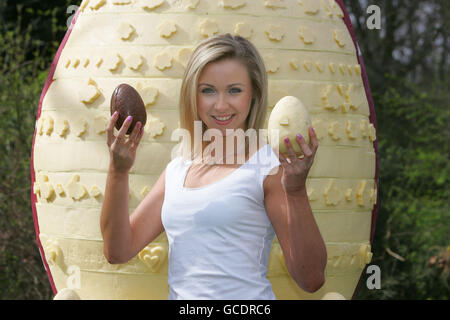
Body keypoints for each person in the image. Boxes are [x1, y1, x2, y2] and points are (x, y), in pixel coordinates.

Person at [100, 33, 327, 300]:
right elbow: (117, 251)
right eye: (208, 90)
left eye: (234, 90)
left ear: (253, 94)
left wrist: (297, 190)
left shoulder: (269, 167)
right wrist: (118, 171)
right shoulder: (177, 170)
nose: (221, 105)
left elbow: (311, 278)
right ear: (192, 96)